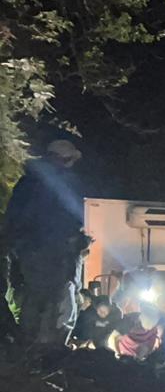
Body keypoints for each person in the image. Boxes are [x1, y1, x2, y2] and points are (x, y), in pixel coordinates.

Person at [3, 139, 88, 344]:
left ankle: (30, 344)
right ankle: (46, 346)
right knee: (57, 297)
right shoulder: (65, 183)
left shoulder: (27, 183)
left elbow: (14, 218)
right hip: (55, 251)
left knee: (37, 295)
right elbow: (72, 217)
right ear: (63, 159)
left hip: (30, 251)